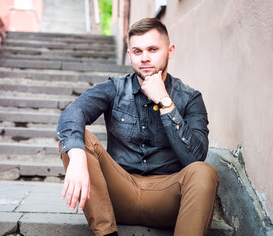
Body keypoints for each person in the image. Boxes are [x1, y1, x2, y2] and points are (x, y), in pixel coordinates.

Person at [56, 18, 219, 236]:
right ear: (129, 54)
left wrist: (165, 101)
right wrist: (76, 157)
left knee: (204, 171)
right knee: (75, 139)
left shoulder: (189, 98)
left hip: (167, 199)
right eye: (137, 51)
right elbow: (73, 112)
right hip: (118, 194)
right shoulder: (115, 88)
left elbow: (195, 158)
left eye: (153, 49)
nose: (145, 58)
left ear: (170, 51)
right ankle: (105, 233)